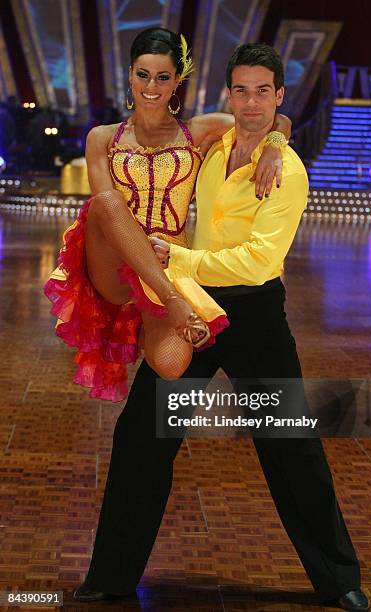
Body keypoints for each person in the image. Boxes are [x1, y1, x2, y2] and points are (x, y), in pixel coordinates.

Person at [73, 42, 370, 612]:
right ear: (228, 94)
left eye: (265, 90)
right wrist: (274, 133)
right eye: (242, 89)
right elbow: (262, 124)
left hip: (253, 314)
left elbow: (259, 261)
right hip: (193, 308)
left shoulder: (287, 173)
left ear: (278, 95)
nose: (252, 101)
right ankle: (110, 577)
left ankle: (339, 580)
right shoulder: (214, 146)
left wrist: (278, 145)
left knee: (291, 444)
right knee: (142, 435)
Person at [44, 28, 291, 402]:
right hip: (113, 262)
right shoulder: (102, 138)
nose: (151, 86)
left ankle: (146, 322)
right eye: (143, 75)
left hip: (167, 260)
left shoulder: (199, 131)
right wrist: (172, 297)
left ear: (177, 81)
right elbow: (104, 209)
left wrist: (275, 145)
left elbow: (266, 118)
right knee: (106, 204)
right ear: (130, 75)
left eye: (163, 77)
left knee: (173, 365)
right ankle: (172, 302)